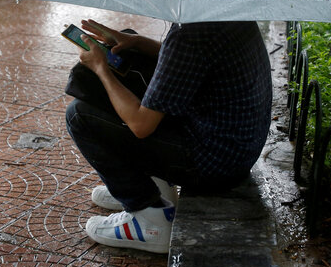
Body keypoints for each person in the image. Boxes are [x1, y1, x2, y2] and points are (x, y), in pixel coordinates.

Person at [65, 19, 273, 253]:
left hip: (211, 164)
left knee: (79, 115)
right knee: (152, 87)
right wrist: (136, 42)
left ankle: (150, 219)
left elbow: (140, 124)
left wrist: (101, 68)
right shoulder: (226, 13)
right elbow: (187, 58)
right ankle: (151, 187)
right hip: (239, 149)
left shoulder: (188, 33)